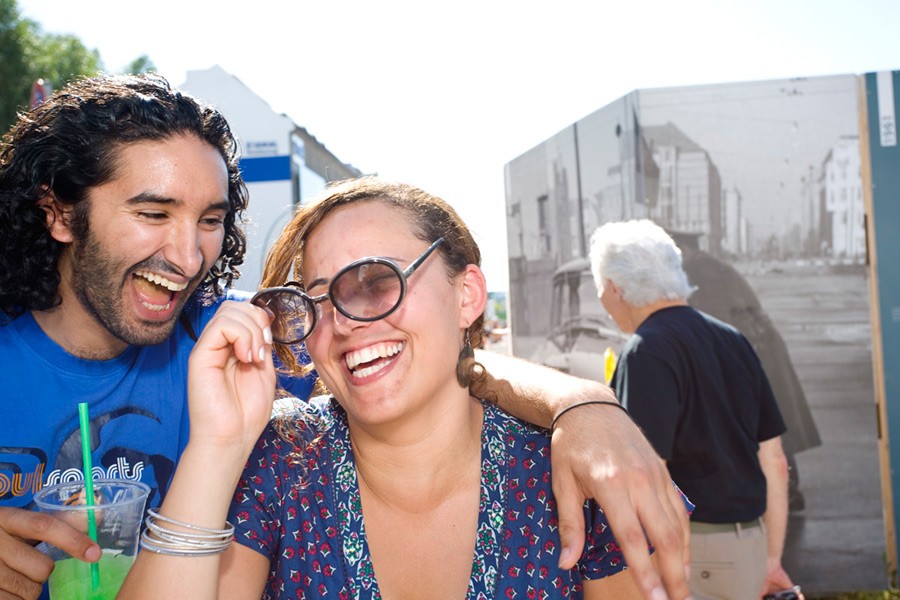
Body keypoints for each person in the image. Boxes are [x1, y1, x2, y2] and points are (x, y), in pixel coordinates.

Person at [0, 74, 690, 599]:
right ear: (59, 213)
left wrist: (584, 407)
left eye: (210, 220)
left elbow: (426, 364)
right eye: (153, 211)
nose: (188, 258)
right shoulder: (281, 452)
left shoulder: (224, 337)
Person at [121, 178, 690, 598]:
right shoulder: (284, 459)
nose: (343, 323)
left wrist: (585, 405)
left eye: (376, 281)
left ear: (467, 296)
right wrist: (217, 446)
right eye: (315, 301)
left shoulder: (567, 474)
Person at [588, 219, 798, 599]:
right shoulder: (734, 340)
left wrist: (672, 565)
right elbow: (776, 462)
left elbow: (650, 475)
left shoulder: (646, 350)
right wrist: (771, 560)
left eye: (600, 289)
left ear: (616, 289)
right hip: (750, 545)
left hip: (691, 556)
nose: (603, 303)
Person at [668, 231, 820, 513]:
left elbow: (710, 326)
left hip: (752, 352)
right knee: (771, 422)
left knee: (764, 425)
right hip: (758, 349)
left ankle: (785, 493)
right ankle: (788, 491)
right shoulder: (707, 267)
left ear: (683, 250)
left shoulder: (701, 273)